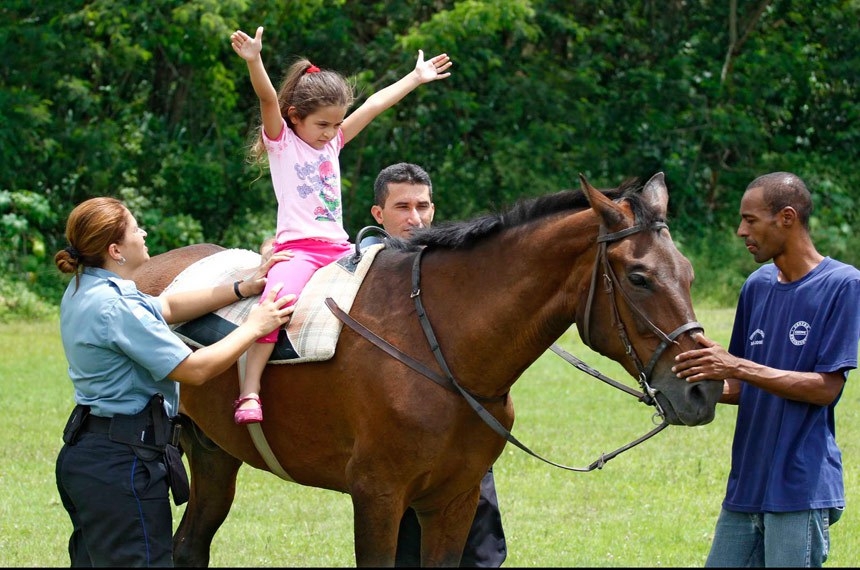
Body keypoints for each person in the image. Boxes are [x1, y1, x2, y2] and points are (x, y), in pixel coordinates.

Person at [54, 197, 295, 567]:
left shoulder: (87, 288)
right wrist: (255, 327)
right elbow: (195, 369)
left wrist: (240, 289)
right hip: (124, 466)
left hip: (91, 454)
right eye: (136, 229)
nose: (144, 232)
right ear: (115, 249)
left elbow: (167, 308)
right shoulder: (117, 308)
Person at [229, 25, 452, 424]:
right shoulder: (283, 141)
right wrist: (254, 60)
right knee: (273, 306)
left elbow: (375, 104)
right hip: (298, 250)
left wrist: (416, 78)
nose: (332, 133)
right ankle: (250, 390)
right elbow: (266, 97)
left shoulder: (332, 142)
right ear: (295, 118)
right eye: (323, 125)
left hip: (339, 248)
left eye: (337, 124)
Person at [671, 172, 860, 567]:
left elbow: (827, 388)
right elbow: (742, 386)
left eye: (750, 219)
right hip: (746, 488)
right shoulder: (756, 286)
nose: (741, 231)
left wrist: (736, 364)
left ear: (786, 217)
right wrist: (689, 389)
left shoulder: (843, 285)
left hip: (799, 489)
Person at [363, 162, 507, 567]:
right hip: (402, 427)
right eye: (402, 206)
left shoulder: (455, 263)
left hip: (464, 425)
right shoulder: (366, 265)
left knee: (478, 547)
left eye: (423, 206)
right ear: (379, 214)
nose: (415, 218)